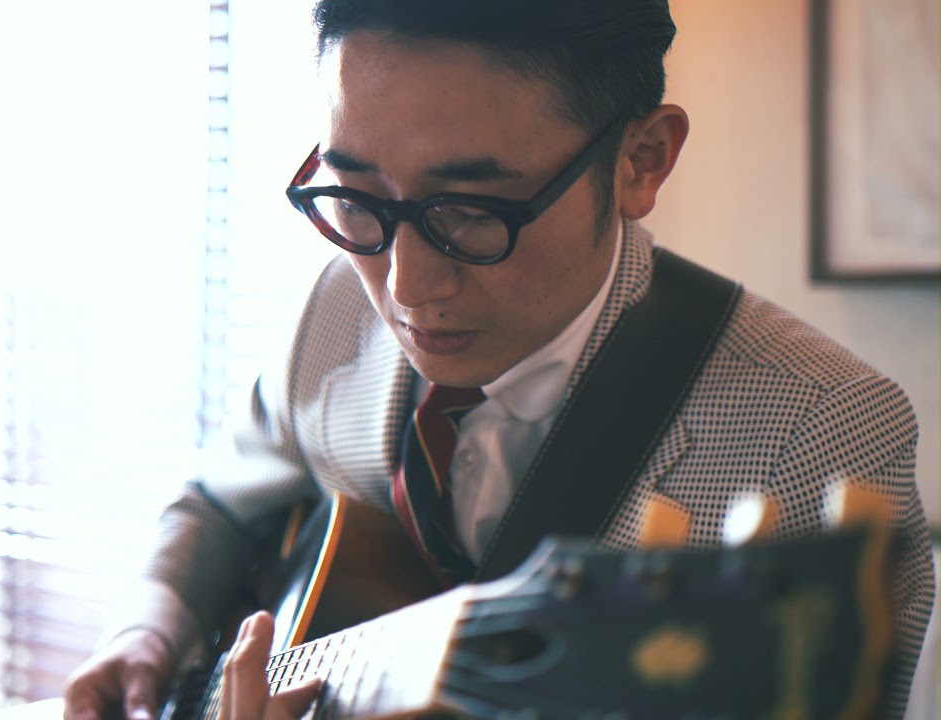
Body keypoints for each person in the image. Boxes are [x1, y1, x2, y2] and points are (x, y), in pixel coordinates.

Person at [63, 2, 935, 719]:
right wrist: (149, 629)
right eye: (356, 196)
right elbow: (219, 500)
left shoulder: (816, 431)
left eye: (471, 211)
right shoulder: (335, 304)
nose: (404, 286)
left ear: (641, 162)